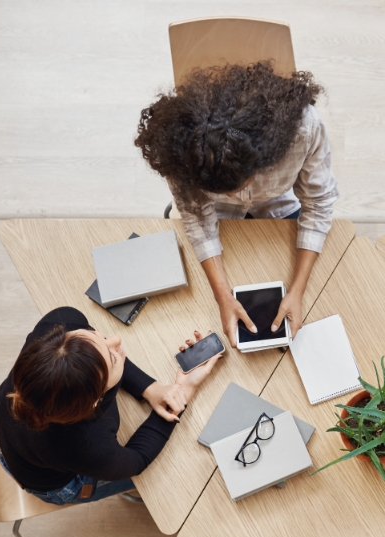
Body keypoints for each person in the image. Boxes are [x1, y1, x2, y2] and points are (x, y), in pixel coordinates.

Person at [135, 62, 339, 346]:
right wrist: (222, 297)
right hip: (216, 218)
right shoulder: (182, 147)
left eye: (238, 188)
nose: (231, 197)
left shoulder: (304, 129)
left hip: (278, 205)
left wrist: (298, 290)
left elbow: (318, 204)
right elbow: (196, 217)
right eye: (219, 192)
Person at [0, 307, 220, 505]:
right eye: (112, 358)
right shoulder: (88, 446)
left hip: (11, 443)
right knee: (156, 482)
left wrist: (151, 389)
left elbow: (93, 359)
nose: (115, 340)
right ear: (94, 401)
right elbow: (137, 460)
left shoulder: (60, 323)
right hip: (53, 484)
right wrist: (183, 391)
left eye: (95, 335)